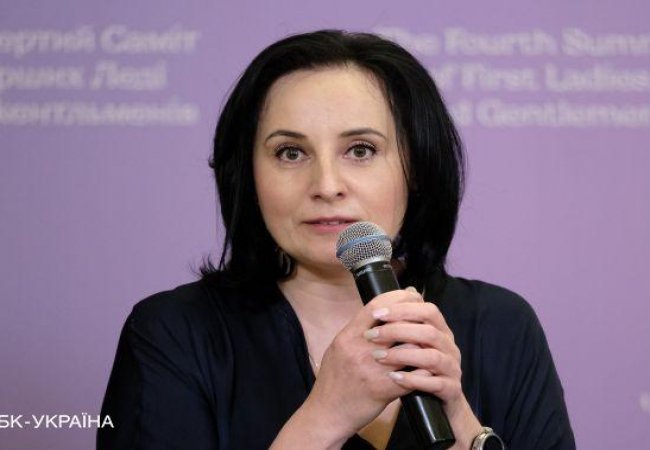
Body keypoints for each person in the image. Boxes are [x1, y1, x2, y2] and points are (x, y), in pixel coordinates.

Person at [98, 30, 575, 450]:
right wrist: (324, 418)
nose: (326, 185)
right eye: (290, 153)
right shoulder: (173, 333)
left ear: (415, 168)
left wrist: (460, 421)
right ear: (248, 175)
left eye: (360, 150)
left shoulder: (501, 327)